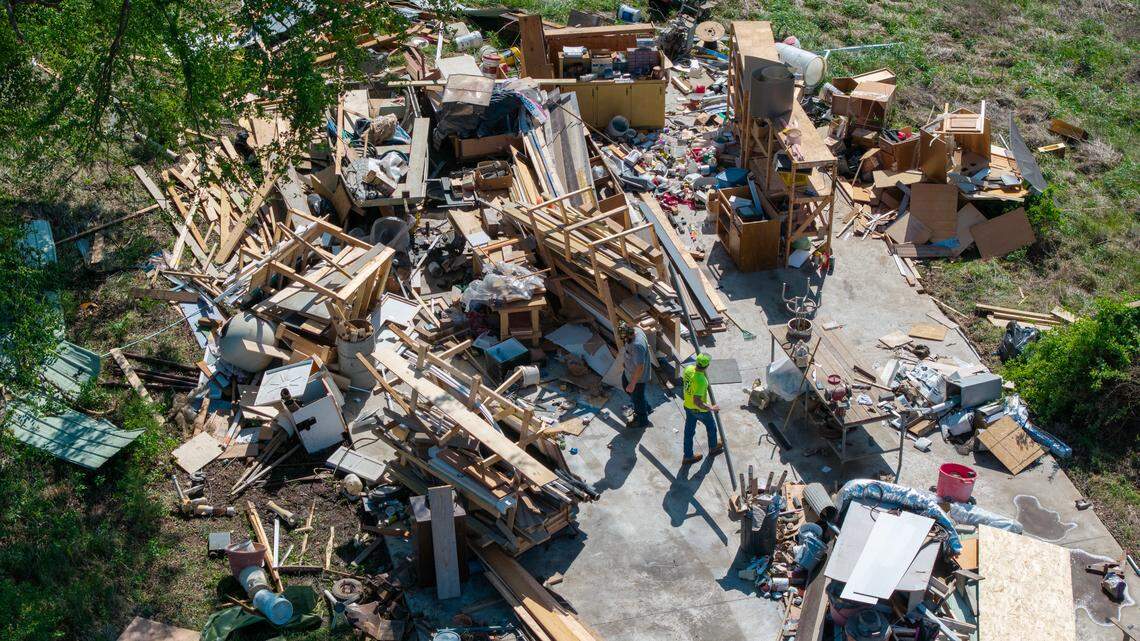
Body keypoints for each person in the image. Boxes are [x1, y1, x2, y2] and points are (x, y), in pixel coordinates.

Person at [681, 353, 723, 465]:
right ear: (707, 365)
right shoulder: (701, 381)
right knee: (711, 427)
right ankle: (713, 447)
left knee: (689, 432)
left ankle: (688, 456)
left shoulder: (688, 369)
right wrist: (711, 408)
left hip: (688, 406)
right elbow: (697, 401)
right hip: (699, 410)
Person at [619, 321, 652, 428]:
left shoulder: (637, 345)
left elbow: (640, 367)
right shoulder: (637, 330)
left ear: (630, 334)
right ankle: (647, 408)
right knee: (629, 390)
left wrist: (633, 384)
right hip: (629, 372)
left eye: (625, 338)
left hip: (638, 378)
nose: (624, 340)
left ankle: (642, 421)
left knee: (637, 399)